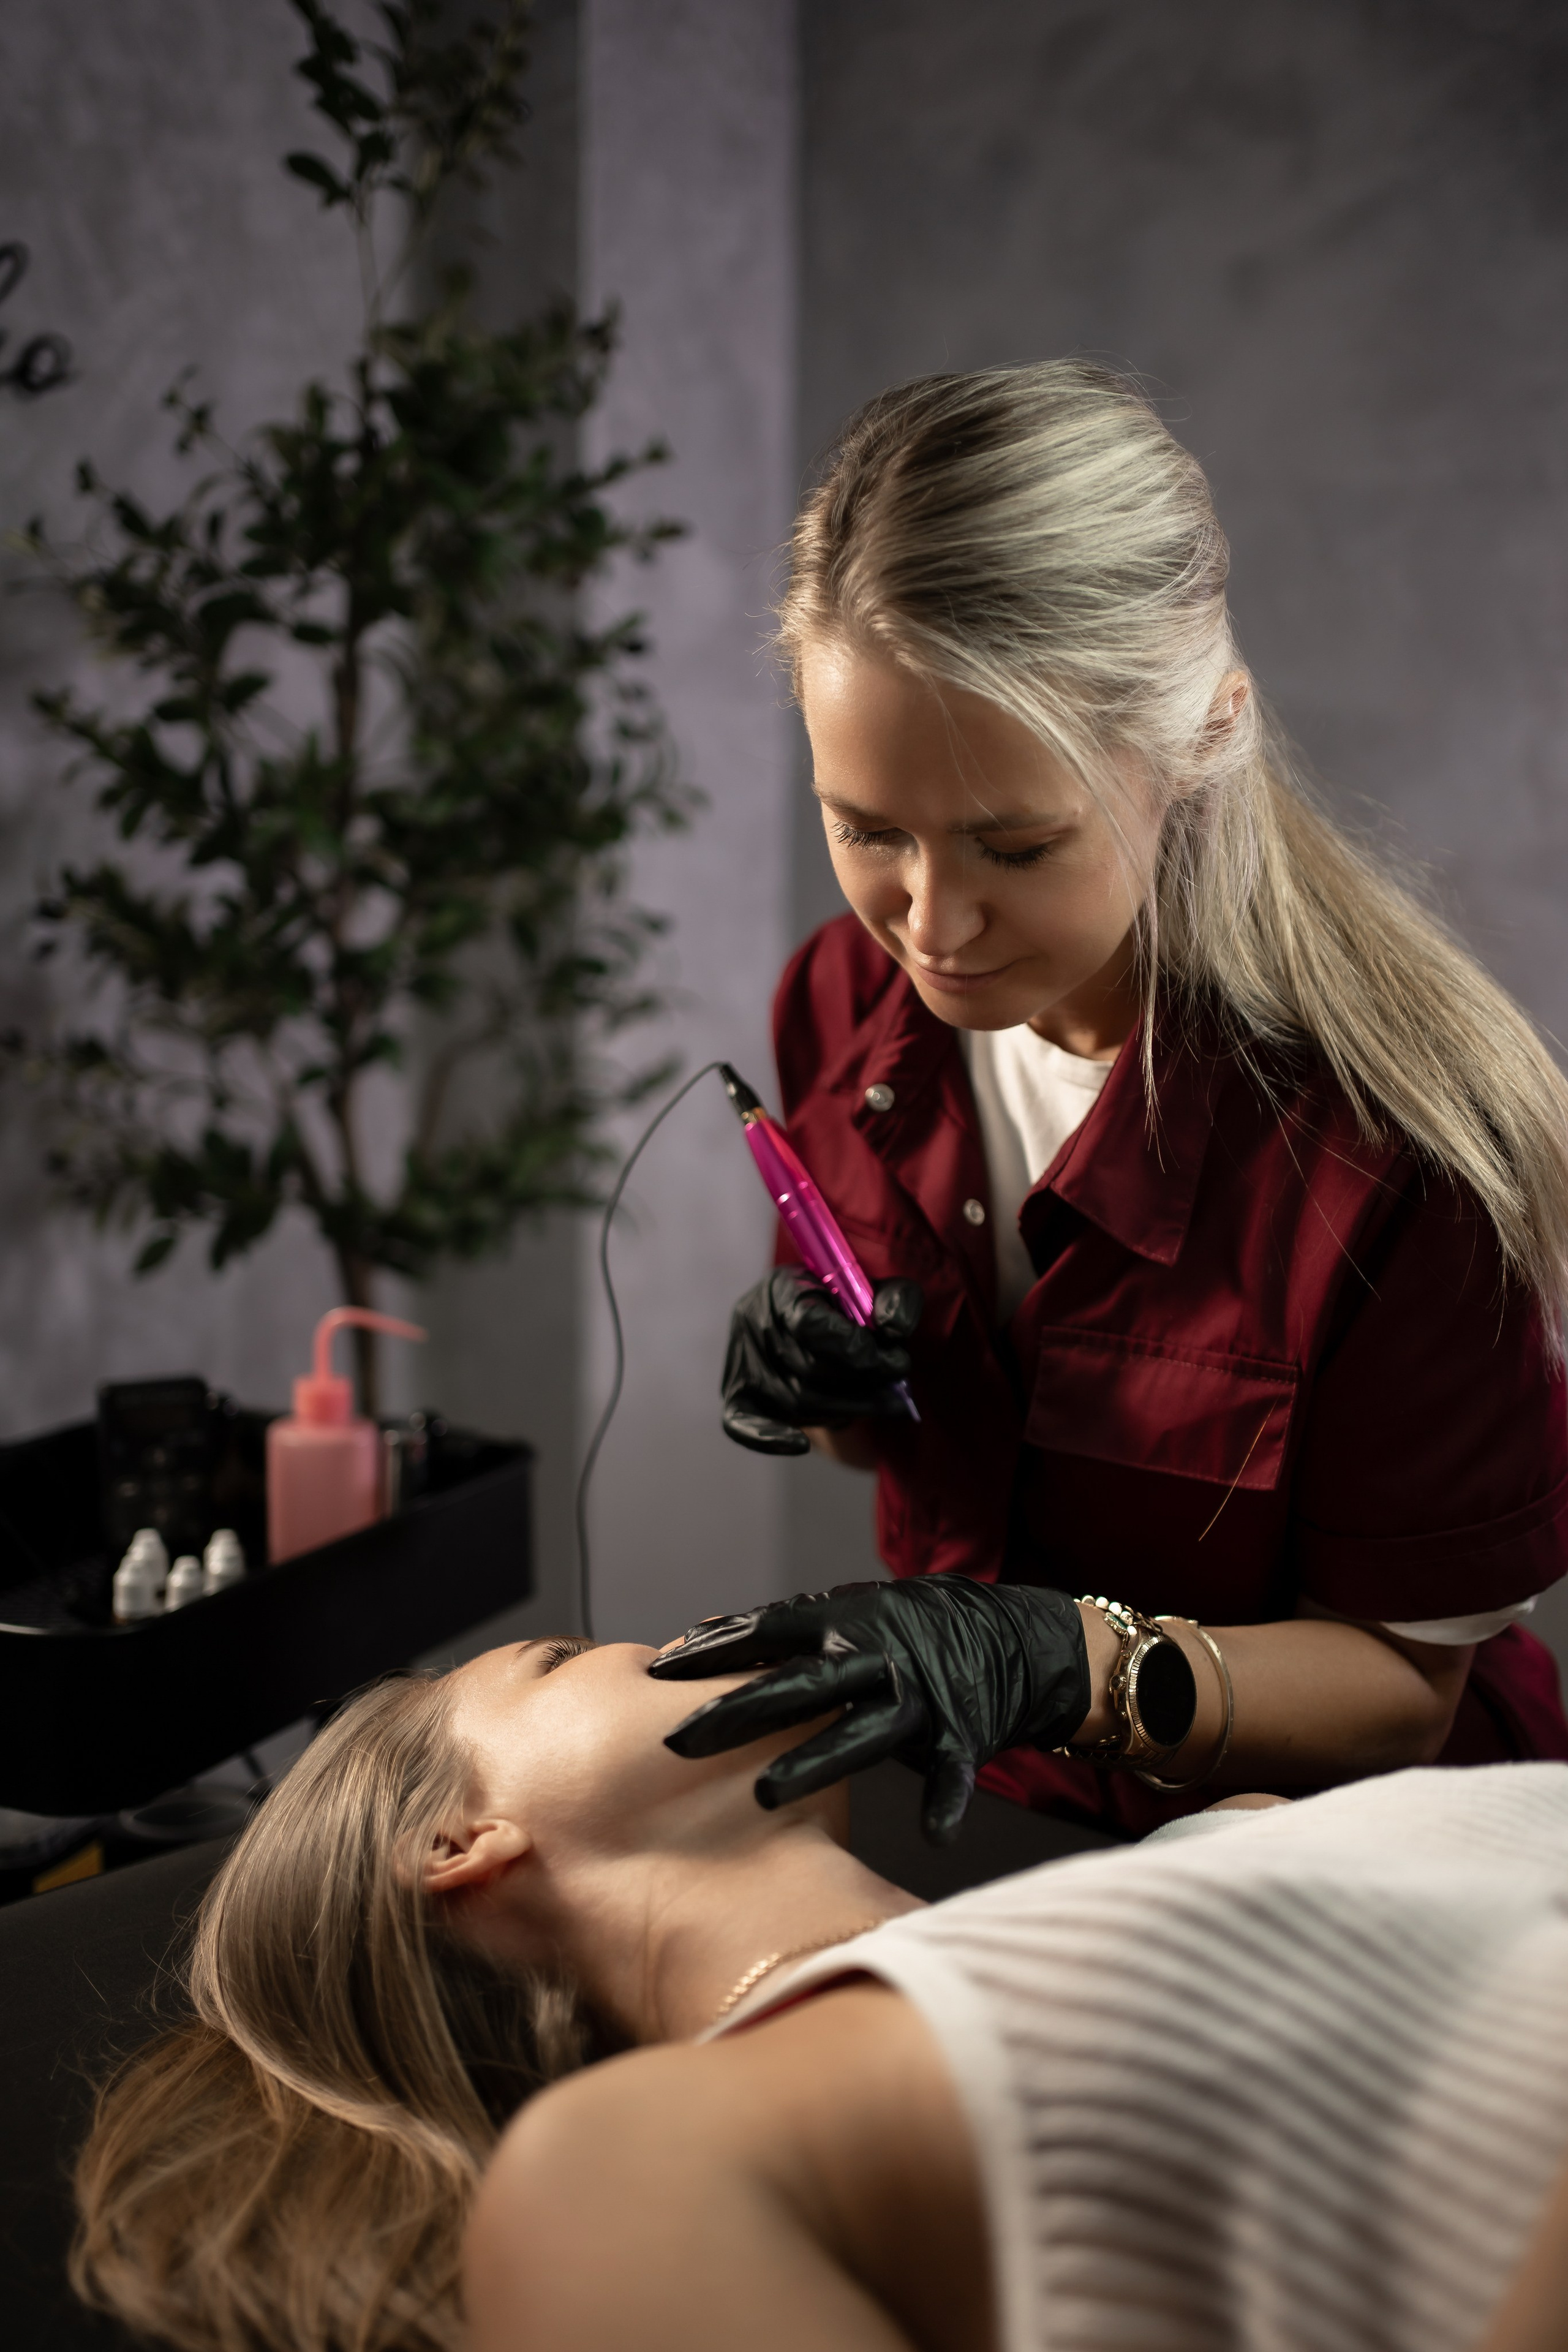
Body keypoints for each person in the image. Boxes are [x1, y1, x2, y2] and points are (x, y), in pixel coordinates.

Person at [709, 358, 1568, 1839]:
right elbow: (906, 1440)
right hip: (985, 1821)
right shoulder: (839, 1009)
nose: (930, 923)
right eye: (866, 831)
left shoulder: (1409, 1152)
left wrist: (1075, 1667)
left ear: (1199, 737)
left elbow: (1398, 1691)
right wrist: (829, 1387)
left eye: (1014, 845)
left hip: (1341, 1858)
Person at [71, 1636, 1568, 2352]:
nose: (662, 1635)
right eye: (559, 1657)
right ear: (451, 1842)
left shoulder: (1210, 1839)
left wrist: (1089, 1659)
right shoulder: (619, 2177)